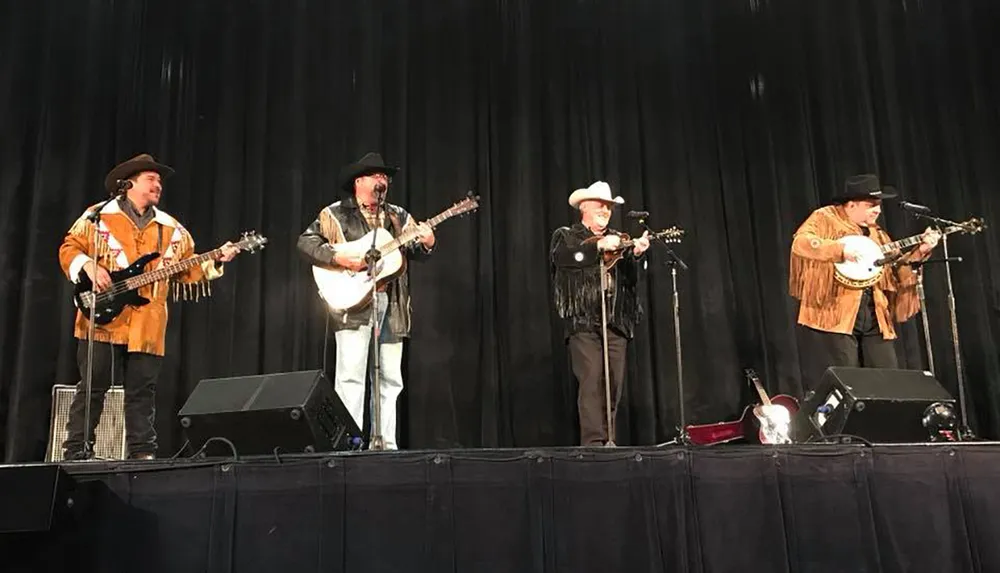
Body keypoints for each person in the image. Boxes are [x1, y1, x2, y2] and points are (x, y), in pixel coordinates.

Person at [58, 154, 240, 460]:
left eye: (159, 181)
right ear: (129, 184)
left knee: (142, 392)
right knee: (92, 386)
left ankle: (142, 454)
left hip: (148, 323)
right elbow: (69, 248)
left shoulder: (172, 229)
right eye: (151, 179)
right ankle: (76, 450)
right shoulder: (98, 217)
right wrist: (88, 265)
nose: (158, 185)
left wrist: (217, 259)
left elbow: (187, 269)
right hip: (101, 317)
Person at [297, 152, 435, 450]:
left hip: (392, 304)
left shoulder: (398, 215)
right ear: (359, 181)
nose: (382, 180)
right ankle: (351, 443)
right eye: (376, 175)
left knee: (390, 378)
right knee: (351, 376)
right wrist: (340, 258)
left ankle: (385, 444)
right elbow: (306, 243)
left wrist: (427, 243)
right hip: (353, 304)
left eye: (385, 176)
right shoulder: (335, 214)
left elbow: (414, 251)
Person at [789, 173, 940, 396]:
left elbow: (896, 271)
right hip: (834, 313)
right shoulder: (825, 217)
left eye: (878, 205)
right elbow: (801, 243)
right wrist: (841, 250)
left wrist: (920, 252)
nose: (877, 210)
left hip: (874, 314)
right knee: (846, 383)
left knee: (886, 380)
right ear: (851, 204)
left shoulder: (878, 235)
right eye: (871, 205)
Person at [549, 181, 650, 446]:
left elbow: (630, 279)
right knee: (592, 381)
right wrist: (597, 247)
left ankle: (609, 441)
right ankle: (594, 445)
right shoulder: (566, 236)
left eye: (608, 207)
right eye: (600, 206)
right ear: (584, 207)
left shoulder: (619, 239)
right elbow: (563, 259)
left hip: (615, 320)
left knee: (613, 383)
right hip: (583, 321)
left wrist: (636, 255)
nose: (605, 211)